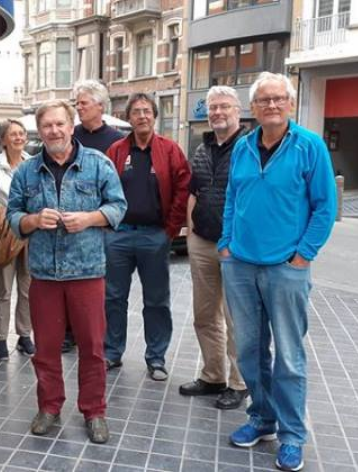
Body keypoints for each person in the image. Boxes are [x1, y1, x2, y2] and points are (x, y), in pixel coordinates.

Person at [219, 72, 336, 472]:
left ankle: (292, 435)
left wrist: (303, 255)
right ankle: (262, 418)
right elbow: (232, 196)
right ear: (253, 108)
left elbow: (325, 207)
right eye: (263, 100)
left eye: (278, 98)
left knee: (289, 356)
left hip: (286, 268)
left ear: (290, 103)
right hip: (240, 264)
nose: (271, 105)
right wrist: (226, 243)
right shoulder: (243, 146)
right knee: (249, 352)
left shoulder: (310, 146)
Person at [7, 100, 126, 444]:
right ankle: (49, 407)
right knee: (46, 348)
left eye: (60, 124)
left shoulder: (98, 164)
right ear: (40, 130)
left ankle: (94, 411)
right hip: (44, 274)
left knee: (92, 348)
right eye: (47, 125)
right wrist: (32, 220)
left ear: (71, 126)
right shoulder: (27, 171)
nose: (54, 131)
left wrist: (89, 218)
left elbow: (118, 206)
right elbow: (13, 216)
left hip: (87, 272)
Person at [104, 92, 190, 381]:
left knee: (156, 301)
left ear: (155, 116)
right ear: (129, 118)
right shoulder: (116, 151)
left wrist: (170, 230)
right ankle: (111, 352)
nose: (142, 116)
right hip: (118, 236)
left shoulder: (170, 150)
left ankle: (156, 358)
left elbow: (183, 189)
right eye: (136, 111)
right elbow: (101, 188)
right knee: (113, 297)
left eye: (147, 111)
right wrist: (107, 227)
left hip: (155, 236)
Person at [179, 86, 249, 410]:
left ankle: (239, 383)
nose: (217, 112)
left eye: (224, 106)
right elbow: (193, 191)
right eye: (212, 107)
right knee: (205, 314)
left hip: (236, 247)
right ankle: (213, 375)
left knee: (236, 319)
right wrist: (190, 234)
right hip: (202, 242)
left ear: (238, 110)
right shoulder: (202, 148)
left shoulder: (249, 147)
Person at [58, 80, 124, 354]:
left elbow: (119, 187)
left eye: (83, 103)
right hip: (68, 223)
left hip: (102, 225)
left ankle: (97, 336)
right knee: (67, 280)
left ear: (100, 105)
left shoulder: (117, 140)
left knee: (100, 286)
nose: (79, 108)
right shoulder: (69, 135)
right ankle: (68, 333)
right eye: (76, 103)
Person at [0, 119, 34, 361]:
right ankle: (0, 339)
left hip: (30, 231)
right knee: (2, 288)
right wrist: (6, 219)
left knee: (28, 288)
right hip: (3, 232)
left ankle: (24, 335)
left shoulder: (32, 163)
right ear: (3, 139)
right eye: (13, 134)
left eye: (21, 133)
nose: (19, 138)